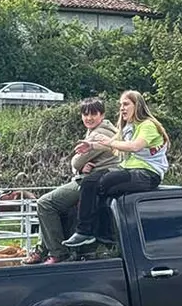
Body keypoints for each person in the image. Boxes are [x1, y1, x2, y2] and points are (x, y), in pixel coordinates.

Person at [63, 90, 169, 248]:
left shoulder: (148, 125)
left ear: (137, 105)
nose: (122, 108)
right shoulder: (128, 127)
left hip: (147, 174)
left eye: (126, 104)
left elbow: (134, 146)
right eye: (120, 105)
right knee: (89, 182)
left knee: (104, 183)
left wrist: (107, 142)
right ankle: (85, 232)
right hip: (128, 170)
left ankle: (104, 233)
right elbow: (113, 146)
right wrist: (91, 146)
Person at [23, 98, 118, 265]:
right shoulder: (101, 130)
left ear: (102, 115)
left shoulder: (99, 134)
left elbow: (76, 161)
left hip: (93, 180)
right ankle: (43, 249)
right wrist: (79, 167)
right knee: (53, 204)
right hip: (90, 177)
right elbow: (79, 164)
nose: (89, 118)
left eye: (94, 114)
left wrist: (77, 166)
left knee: (45, 203)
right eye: (85, 114)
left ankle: (57, 253)